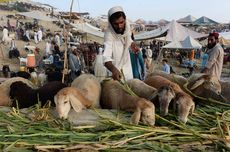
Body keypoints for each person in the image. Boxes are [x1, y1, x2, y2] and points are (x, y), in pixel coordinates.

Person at [103, 6, 133, 81]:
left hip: (128, 70)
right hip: (115, 74)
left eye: (121, 22)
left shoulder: (127, 27)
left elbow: (129, 39)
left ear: (125, 20)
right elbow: (106, 57)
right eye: (116, 24)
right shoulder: (109, 34)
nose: (119, 26)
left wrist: (132, 44)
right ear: (111, 23)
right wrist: (114, 70)